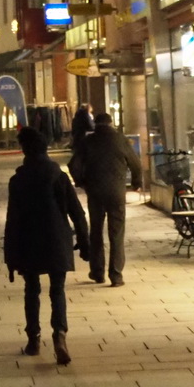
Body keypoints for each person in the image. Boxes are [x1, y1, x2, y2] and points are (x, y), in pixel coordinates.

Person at [4, 126, 88, 366]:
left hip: (29, 242)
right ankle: (60, 336)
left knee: (31, 290)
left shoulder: (18, 180)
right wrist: (84, 242)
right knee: (57, 290)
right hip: (56, 240)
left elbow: (13, 220)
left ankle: (33, 339)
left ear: (24, 150)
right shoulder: (58, 176)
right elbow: (77, 212)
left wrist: (10, 256)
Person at [68, 112, 144, 286]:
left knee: (96, 232)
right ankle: (116, 275)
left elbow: (74, 165)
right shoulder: (120, 139)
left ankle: (97, 272)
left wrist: (81, 182)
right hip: (116, 192)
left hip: (95, 192)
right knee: (116, 233)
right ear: (111, 123)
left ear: (95, 124)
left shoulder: (88, 141)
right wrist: (136, 183)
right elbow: (136, 164)